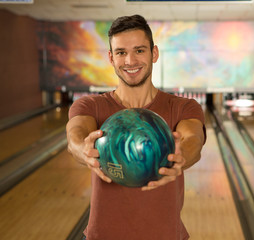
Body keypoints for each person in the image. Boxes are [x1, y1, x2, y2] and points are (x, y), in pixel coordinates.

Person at [66, 15, 206, 240]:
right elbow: (75, 135)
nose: (130, 60)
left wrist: (181, 158)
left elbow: (193, 141)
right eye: (121, 52)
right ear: (111, 58)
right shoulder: (90, 105)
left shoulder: (183, 106)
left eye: (139, 50)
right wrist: (83, 149)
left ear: (155, 53)